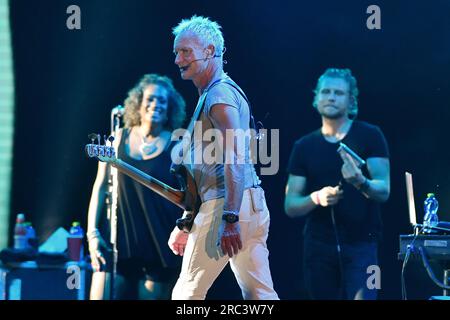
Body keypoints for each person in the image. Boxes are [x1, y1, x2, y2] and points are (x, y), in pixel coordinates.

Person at [168, 15, 279, 300]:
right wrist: (186, 222)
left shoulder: (218, 96)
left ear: (209, 51)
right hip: (250, 204)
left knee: (186, 295)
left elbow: (235, 157)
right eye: (176, 52)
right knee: (260, 296)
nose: (179, 59)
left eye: (186, 51)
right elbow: (204, 173)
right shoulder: (218, 93)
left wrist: (229, 219)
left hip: (227, 205)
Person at [284, 68, 390, 300]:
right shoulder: (304, 146)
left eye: (338, 93)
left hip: (362, 244)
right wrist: (316, 198)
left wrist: (361, 182)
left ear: (351, 100)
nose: (331, 97)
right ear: (317, 98)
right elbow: (291, 205)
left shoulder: (370, 135)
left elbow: (384, 190)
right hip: (318, 247)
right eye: (326, 91)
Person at [86, 74, 186, 299]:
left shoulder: (179, 144)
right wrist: (92, 233)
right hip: (117, 244)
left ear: (170, 107)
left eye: (162, 101)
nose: (155, 105)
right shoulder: (117, 138)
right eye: (150, 99)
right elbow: (100, 187)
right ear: (138, 103)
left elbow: (189, 197)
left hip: (159, 248)